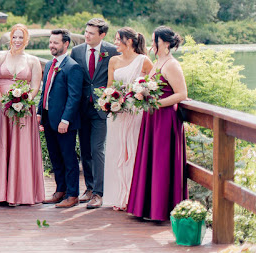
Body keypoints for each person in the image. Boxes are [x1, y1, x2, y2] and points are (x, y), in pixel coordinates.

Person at [127, 26, 188, 222]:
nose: (152, 43)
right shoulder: (157, 62)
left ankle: (161, 210)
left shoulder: (171, 65)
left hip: (165, 119)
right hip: (152, 117)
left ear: (166, 43)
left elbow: (182, 94)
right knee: (150, 160)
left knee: (161, 162)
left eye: (155, 40)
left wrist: (157, 103)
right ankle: (148, 208)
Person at [0, 24, 45, 206]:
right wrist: (2, 103)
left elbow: (35, 86)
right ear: (10, 38)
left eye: (21, 37)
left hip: (23, 111)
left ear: (26, 40)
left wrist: (24, 102)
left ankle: (18, 194)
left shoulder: (33, 61)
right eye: (14, 37)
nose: (17, 40)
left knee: (21, 148)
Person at [101, 28, 152, 211]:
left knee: (132, 150)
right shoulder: (113, 61)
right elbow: (109, 86)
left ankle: (133, 197)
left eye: (118, 39)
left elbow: (153, 85)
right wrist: (107, 100)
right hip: (117, 112)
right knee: (116, 152)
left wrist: (141, 94)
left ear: (129, 41)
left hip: (135, 111)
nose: (115, 42)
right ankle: (117, 196)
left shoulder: (143, 61)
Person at [70, 18, 118, 209]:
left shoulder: (112, 51)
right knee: (85, 150)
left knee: (97, 149)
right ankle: (89, 188)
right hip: (81, 107)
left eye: (91, 33)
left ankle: (99, 192)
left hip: (101, 108)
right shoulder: (76, 51)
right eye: (86, 32)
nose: (87, 35)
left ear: (102, 35)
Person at [37, 29, 83, 208]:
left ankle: (72, 195)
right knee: (55, 157)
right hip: (49, 119)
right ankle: (60, 190)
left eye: (55, 43)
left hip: (64, 122)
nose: (52, 45)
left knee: (68, 158)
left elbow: (74, 97)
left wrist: (66, 120)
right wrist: (40, 112)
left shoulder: (72, 67)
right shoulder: (49, 64)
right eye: (50, 42)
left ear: (66, 44)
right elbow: (45, 91)